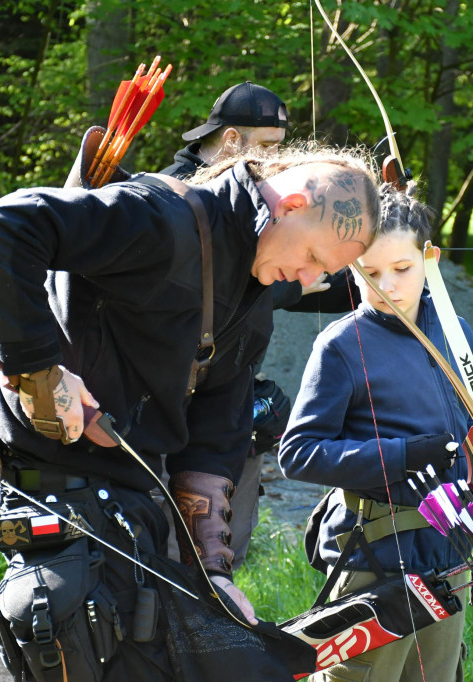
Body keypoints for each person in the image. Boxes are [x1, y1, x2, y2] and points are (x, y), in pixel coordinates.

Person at [0, 142, 380, 681]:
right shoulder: (161, 220)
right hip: (48, 489)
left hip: (131, 504)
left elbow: (213, 440)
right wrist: (37, 370)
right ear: (291, 205)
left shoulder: (254, 299)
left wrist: (212, 572)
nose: (307, 280)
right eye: (313, 259)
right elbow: (5, 225)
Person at [157, 80, 358, 571]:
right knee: (160, 550)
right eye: (267, 145)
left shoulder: (262, 199)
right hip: (165, 401)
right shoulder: (173, 195)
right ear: (230, 140)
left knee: (221, 551)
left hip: (227, 393)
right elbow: (220, 288)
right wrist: (289, 285)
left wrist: (384, 258)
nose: (277, 159)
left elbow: (318, 281)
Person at [277, 182, 473, 682]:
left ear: (429, 259)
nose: (387, 286)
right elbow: (298, 452)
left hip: (449, 554)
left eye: (403, 269)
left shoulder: (455, 331)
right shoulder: (340, 345)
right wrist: (402, 456)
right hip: (376, 559)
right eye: (370, 273)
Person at [160, 80, 288, 179]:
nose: (275, 157)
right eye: (266, 145)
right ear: (231, 140)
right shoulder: (167, 191)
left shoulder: (250, 183)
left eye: (278, 146)